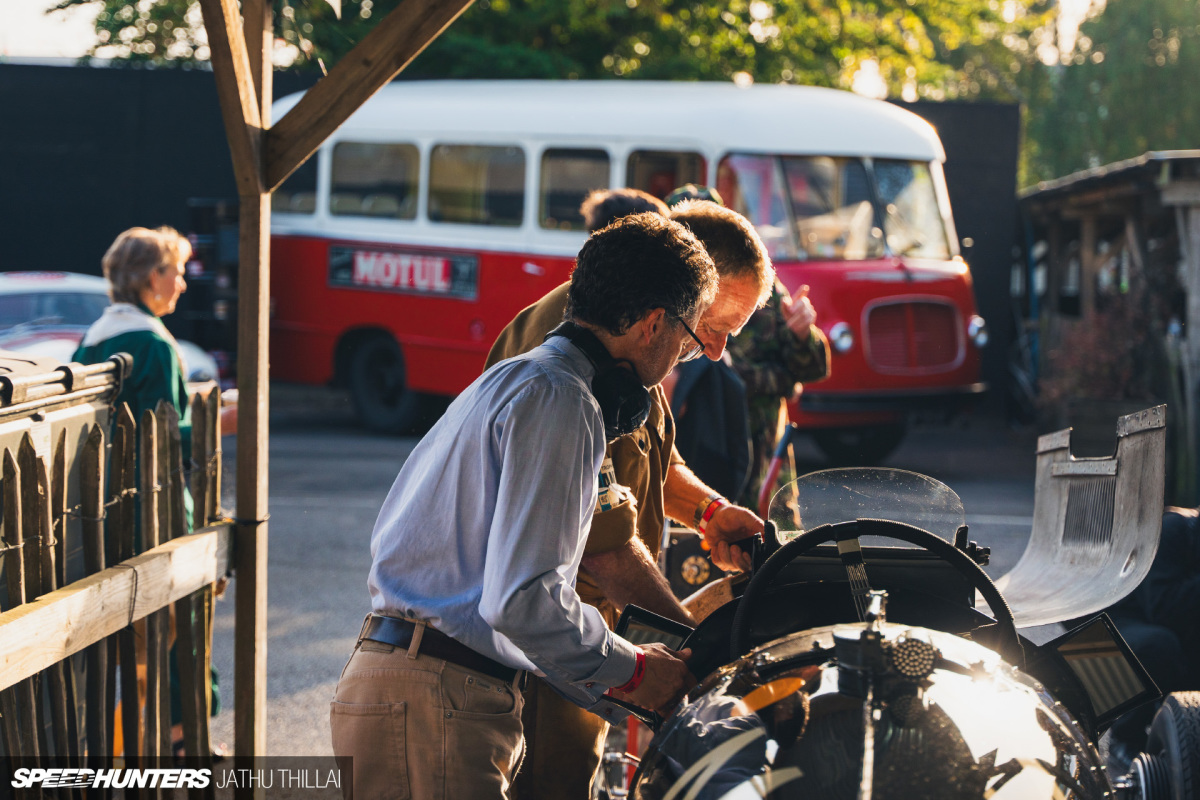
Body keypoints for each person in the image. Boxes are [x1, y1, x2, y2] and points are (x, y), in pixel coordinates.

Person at [332, 213, 733, 800]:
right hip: (437, 698)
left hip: (409, 685)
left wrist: (620, 679)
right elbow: (522, 601)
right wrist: (640, 671)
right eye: (689, 341)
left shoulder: (518, 380)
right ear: (653, 325)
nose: (680, 358)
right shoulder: (560, 401)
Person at [485, 196, 774, 799]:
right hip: (542, 647)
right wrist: (693, 653)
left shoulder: (629, 351)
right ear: (689, 286)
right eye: (718, 327)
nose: (718, 350)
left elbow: (647, 465)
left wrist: (711, 512)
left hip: (578, 638)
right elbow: (601, 543)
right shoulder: (578, 349)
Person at [72, 225, 223, 754]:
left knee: (129, 640)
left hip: (102, 504)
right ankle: (183, 735)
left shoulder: (95, 335)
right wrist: (215, 421)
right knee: (183, 619)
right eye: (176, 271)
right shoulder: (155, 343)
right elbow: (163, 433)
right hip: (154, 503)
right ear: (151, 277)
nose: (182, 283)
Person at [726, 278, 830, 511]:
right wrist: (780, 379)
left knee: (780, 541)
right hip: (705, 462)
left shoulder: (757, 276)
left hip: (768, 472)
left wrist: (802, 334)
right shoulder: (685, 273)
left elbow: (812, 369)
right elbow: (698, 375)